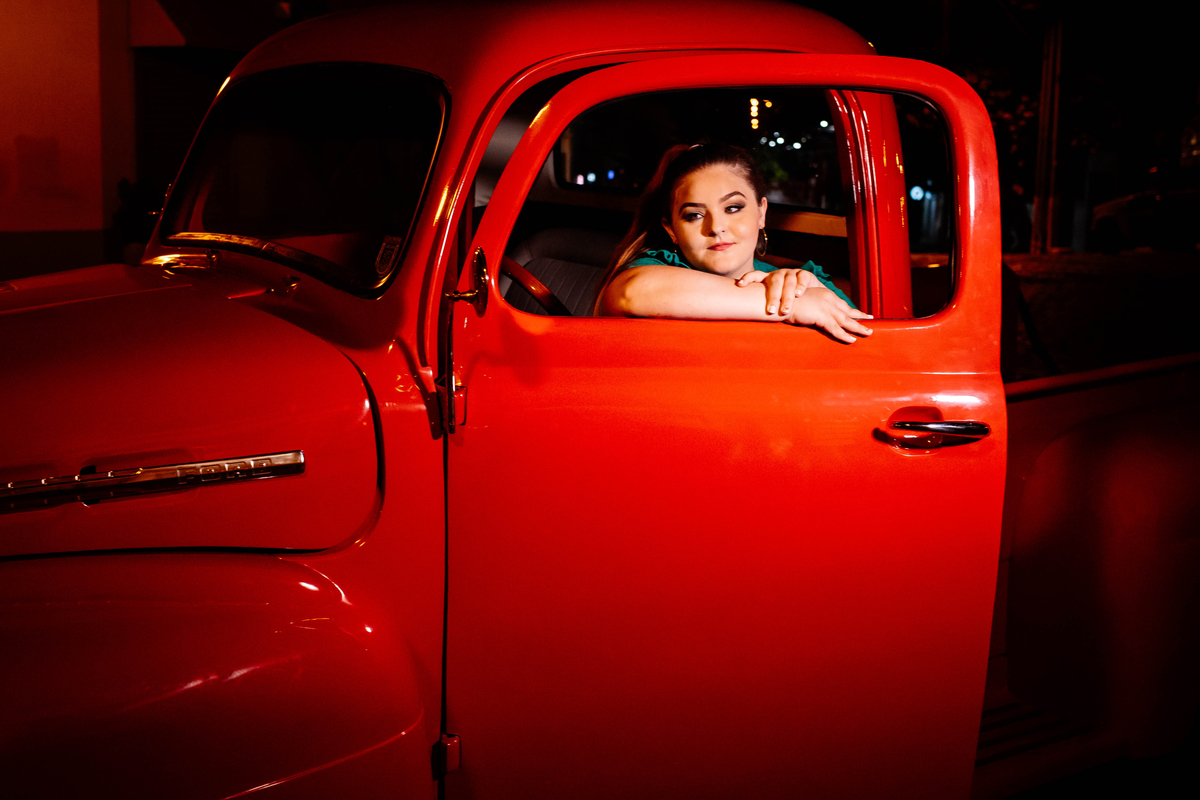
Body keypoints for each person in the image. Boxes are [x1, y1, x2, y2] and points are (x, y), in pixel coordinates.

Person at [594, 143, 873, 343]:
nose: (716, 228)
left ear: (762, 212)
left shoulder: (804, 283)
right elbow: (632, 291)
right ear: (672, 230)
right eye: (694, 215)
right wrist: (786, 304)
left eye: (732, 208)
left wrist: (803, 291)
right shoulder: (653, 270)